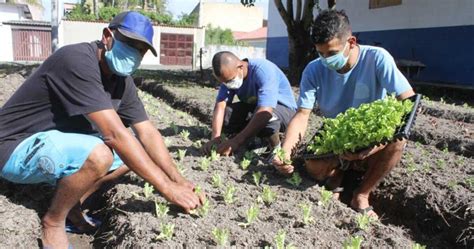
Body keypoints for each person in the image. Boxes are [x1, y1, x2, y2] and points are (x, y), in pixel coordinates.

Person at [0, 11, 203, 249]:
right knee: (101, 154)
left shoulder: (121, 82)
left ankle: (72, 206)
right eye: (130, 44)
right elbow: (115, 135)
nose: (135, 54)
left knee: (135, 154)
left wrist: (178, 179)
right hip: (14, 147)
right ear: (107, 36)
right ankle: (53, 222)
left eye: (141, 50)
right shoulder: (75, 60)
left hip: (54, 145)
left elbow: (147, 133)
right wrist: (167, 189)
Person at [272, 9, 415, 218]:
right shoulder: (313, 70)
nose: (326, 59)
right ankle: (339, 174)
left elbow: (409, 103)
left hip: (373, 135)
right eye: (320, 53)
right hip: (336, 133)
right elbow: (302, 115)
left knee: (398, 143)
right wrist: (284, 151)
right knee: (312, 167)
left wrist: (378, 145)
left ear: (351, 42)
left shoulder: (376, 59)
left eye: (331, 53)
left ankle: (362, 194)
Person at [201, 51, 297, 157]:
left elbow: (265, 111)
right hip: (256, 110)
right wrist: (215, 138)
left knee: (266, 116)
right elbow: (221, 105)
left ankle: (275, 149)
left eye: (230, 80)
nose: (228, 84)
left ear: (240, 67)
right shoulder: (229, 77)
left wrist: (236, 141)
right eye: (225, 82)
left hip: (284, 113)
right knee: (226, 114)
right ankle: (255, 140)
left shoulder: (263, 70)